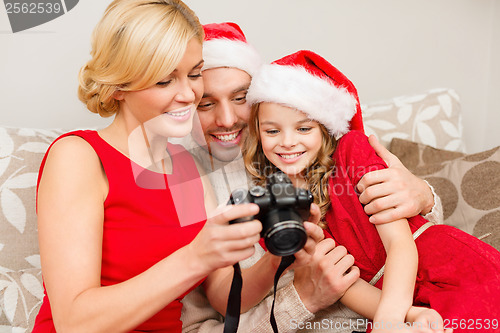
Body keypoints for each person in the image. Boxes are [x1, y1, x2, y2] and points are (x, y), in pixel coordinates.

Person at [32, 2, 325, 332]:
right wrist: (195, 257)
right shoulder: (79, 156)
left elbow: (222, 292)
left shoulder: (186, 167)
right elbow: (74, 322)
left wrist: (279, 253)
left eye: (195, 73)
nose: (189, 94)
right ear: (118, 86)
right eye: (164, 81)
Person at [181, 22, 446, 333]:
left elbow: (404, 233)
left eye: (240, 98)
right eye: (206, 104)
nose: (226, 119)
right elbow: (208, 318)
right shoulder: (184, 184)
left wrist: (424, 196)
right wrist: (302, 298)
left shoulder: (307, 150)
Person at [244, 49, 500, 332]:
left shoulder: (352, 151)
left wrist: (390, 318)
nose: (288, 142)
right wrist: (406, 316)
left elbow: (399, 244)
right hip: (394, 300)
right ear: (257, 132)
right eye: (272, 131)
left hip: (443, 268)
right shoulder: (280, 208)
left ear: (325, 128)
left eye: (304, 129)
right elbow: (344, 284)